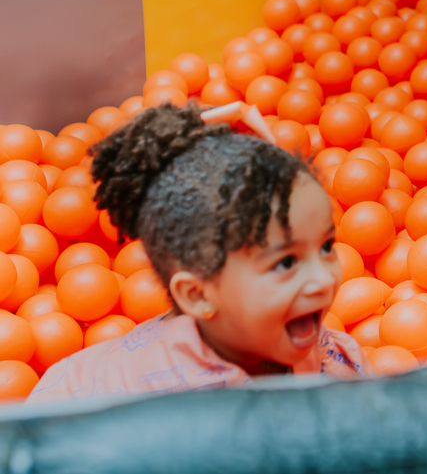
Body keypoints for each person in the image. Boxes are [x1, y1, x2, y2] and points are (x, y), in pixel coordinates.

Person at [27, 104, 368, 402]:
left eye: (326, 246)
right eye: (286, 262)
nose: (324, 279)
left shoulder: (334, 362)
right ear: (198, 294)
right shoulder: (145, 406)